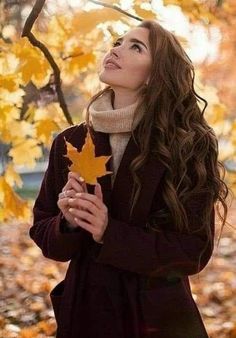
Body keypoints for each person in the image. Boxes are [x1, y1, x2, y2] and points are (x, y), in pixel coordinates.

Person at [30, 20, 229, 338]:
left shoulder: (188, 144)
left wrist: (110, 233)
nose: (116, 49)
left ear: (154, 75)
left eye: (135, 46)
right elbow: (45, 236)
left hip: (158, 321)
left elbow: (192, 251)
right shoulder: (71, 142)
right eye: (118, 42)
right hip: (87, 316)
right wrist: (67, 222)